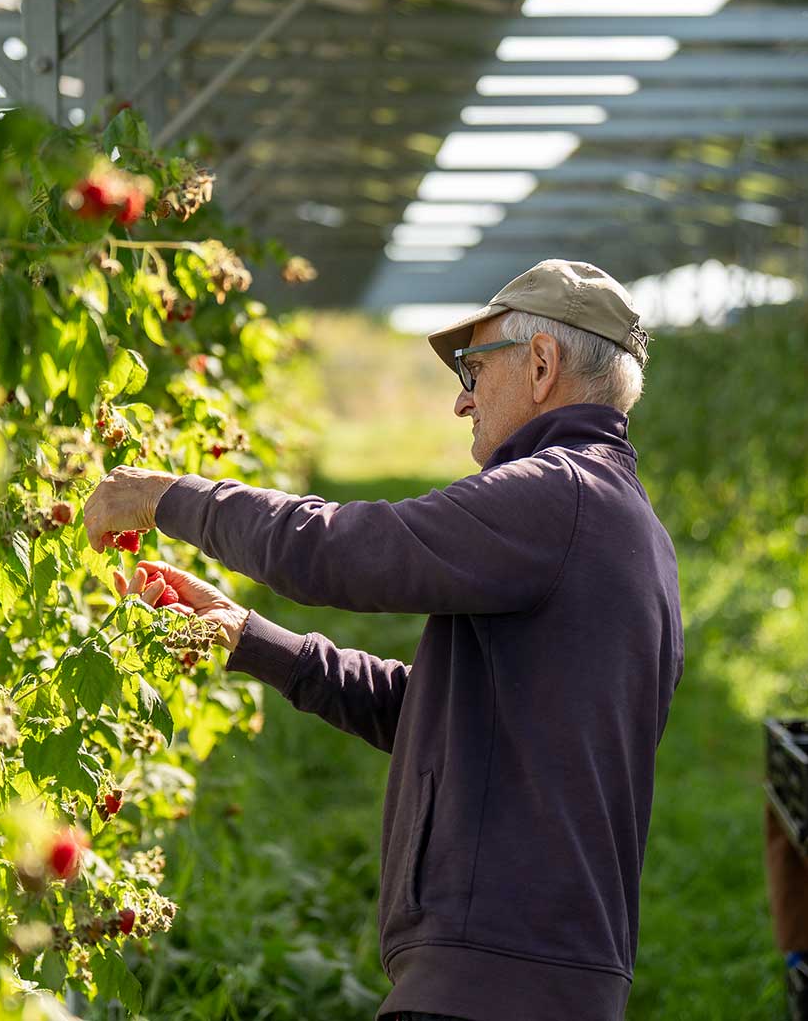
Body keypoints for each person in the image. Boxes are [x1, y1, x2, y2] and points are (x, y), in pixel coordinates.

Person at [82, 259, 684, 1021]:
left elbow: (341, 549)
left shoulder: (557, 495)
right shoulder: (626, 525)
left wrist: (170, 498)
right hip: (541, 974)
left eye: (474, 367)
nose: (462, 399)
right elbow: (449, 722)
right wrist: (250, 638)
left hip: (490, 986)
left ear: (541, 364)